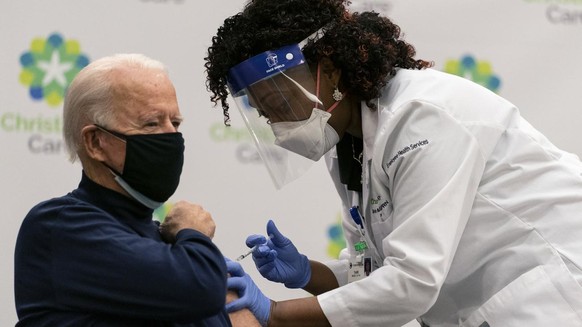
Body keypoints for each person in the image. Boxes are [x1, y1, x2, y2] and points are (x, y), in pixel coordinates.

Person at [204, 0, 582, 326]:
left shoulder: (419, 116)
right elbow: (374, 274)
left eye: (279, 100)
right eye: (263, 109)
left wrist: (275, 314)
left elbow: (412, 281)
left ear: (331, 70)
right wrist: (307, 272)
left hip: (555, 291)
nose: (275, 120)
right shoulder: (352, 144)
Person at [13, 54, 259, 327]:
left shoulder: (170, 245)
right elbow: (199, 289)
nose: (172, 136)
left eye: (175, 123)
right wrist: (196, 235)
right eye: (152, 123)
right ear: (95, 142)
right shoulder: (59, 226)